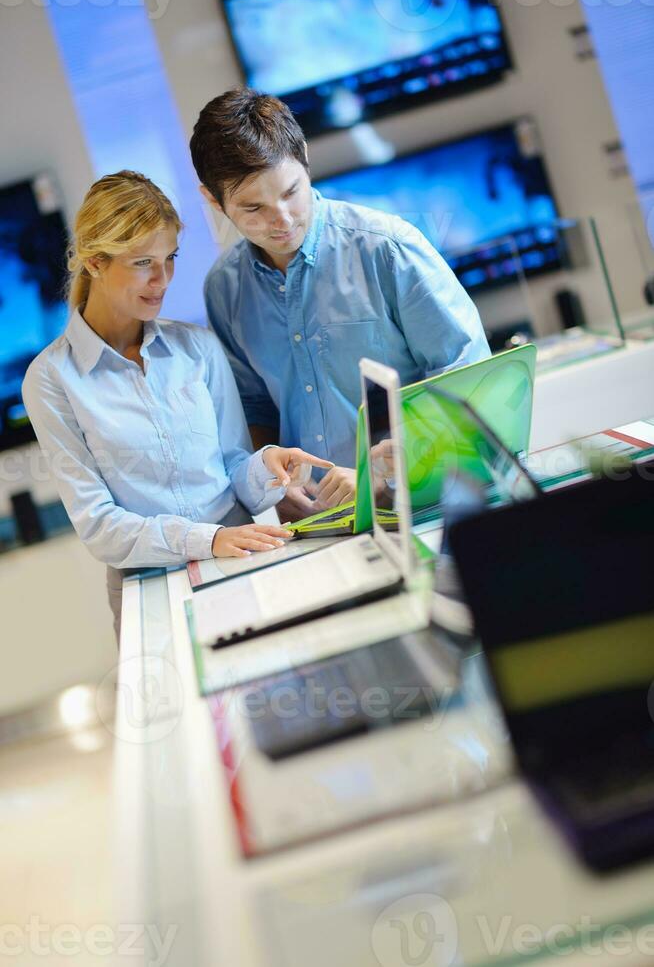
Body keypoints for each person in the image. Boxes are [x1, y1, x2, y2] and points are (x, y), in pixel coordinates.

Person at [22, 171, 332, 639]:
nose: (162, 279)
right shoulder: (51, 380)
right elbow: (100, 525)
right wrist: (209, 540)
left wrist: (267, 464)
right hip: (151, 586)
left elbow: (231, 467)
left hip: (242, 556)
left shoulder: (198, 348)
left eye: (169, 259)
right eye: (143, 262)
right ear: (95, 262)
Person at [190, 88, 490, 522]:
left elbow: (467, 384)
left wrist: (382, 475)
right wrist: (271, 479)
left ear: (306, 157)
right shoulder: (224, 289)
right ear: (214, 201)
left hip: (430, 513)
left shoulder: (387, 249)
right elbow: (254, 411)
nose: (283, 220)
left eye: (291, 192)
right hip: (318, 526)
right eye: (253, 207)